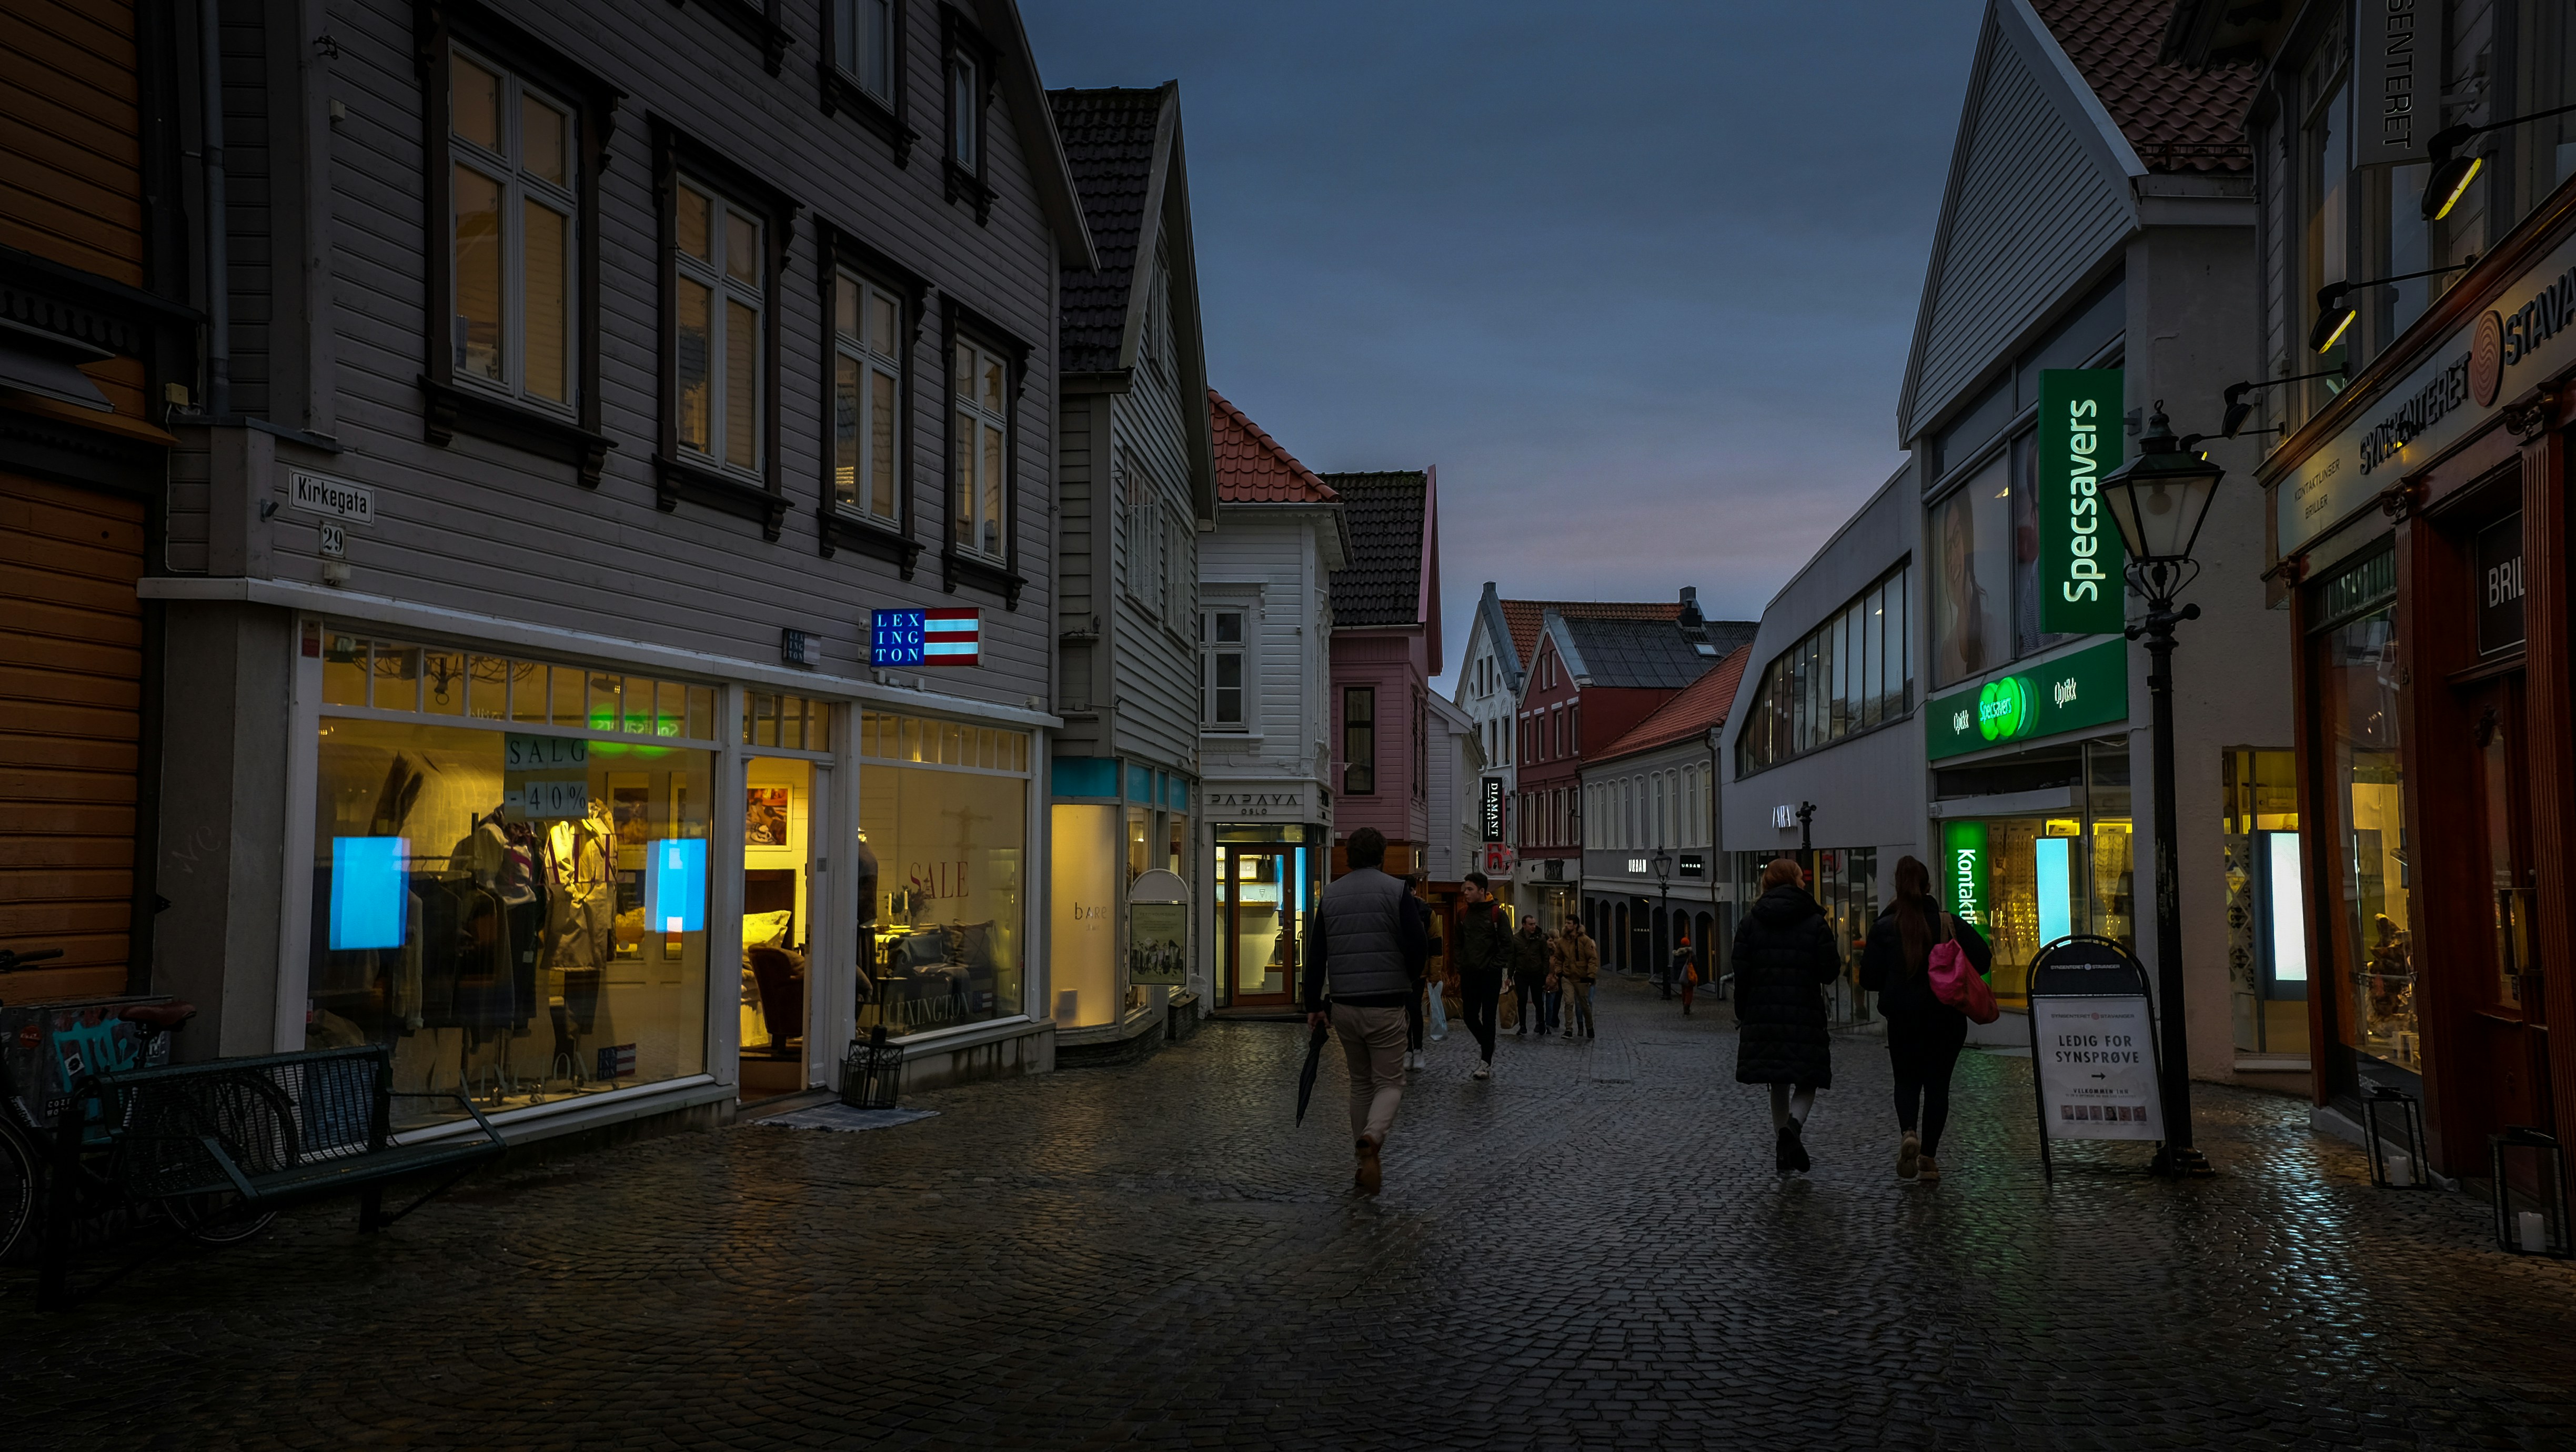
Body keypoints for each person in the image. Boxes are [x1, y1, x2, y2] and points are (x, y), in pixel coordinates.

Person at [1305, 828, 1431, 1194]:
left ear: (1348, 856)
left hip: (1345, 1004)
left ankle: (1361, 1157)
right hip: (1386, 1002)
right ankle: (1373, 1138)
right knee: (1390, 1081)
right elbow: (1417, 944)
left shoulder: (1331, 894)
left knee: (1360, 1083)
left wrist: (1313, 1004)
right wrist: (1407, 979)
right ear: (1382, 855)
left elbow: (1317, 954)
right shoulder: (1395, 891)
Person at [1858, 855, 1993, 1183]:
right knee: (1937, 1087)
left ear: (1897, 886)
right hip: (1946, 1019)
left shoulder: (1884, 927)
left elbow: (1868, 980)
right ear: (1928, 886)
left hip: (1903, 1020)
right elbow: (1984, 960)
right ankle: (1929, 1159)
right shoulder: (1948, 923)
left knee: (1906, 1081)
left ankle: (1908, 1132)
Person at [1732, 856, 1842, 1175]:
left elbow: (1742, 972)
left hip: (1763, 1014)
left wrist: (1744, 1012)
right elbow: (1830, 971)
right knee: (1809, 1077)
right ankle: (1792, 1128)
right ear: (1795, 881)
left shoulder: (1751, 921)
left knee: (1777, 1080)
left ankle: (1783, 1147)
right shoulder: (1814, 921)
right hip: (1804, 1013)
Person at [1451, 872, 1511, 1079]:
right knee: (1469, 1015)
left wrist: (1494, 967)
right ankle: (1488, 1044)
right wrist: (1460, 965)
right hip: (1469, 973)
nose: (1465, 893)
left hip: (1489, 975)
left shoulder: (1497, 914)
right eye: (1465, 889)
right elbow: (1457, 943)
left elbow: (1507, 944)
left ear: (1482, 891)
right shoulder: (1463, 914)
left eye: (1470, 889)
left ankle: (1485, 1063)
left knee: (1488, 1017)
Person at [1554, 917, 1599, 1038]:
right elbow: (1558, 958)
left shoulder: (1585, 940)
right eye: (1566, 923)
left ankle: (1589, 1027)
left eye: (1569, 923)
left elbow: (1593, 959)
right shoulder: (1562, 942)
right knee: (1569, 1002)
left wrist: (1591, 975)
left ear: (1575, 925)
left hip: (1581, 977)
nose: (1566, 925)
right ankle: (1568, 1029)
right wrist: (1559, 972)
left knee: (1584, 1004)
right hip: (1567, 976)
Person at [1510, 915, 1551, 1038]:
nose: (1533, 926)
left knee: (1538, 1000)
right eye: (1531, 924)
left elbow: (1546, 957)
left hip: (1537, 974)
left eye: (1534, 924)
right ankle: (1523, 1026)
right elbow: (1512, 958)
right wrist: (1509, 976)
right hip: (1521, 974)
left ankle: (1541, 1024)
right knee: (1521, 999)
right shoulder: (1516, 939)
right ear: (1524, 925)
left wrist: (1545, 973)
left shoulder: (1541, 939)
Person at [1670, 933, 1697, 1013]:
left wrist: (1676, 976)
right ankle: (1687, 1005)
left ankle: (1684, 1004)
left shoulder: (1677, 954)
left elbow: (1674, 965)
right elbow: (1695, 963)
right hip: (1689, 975)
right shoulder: (1690, 953)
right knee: (1689, 991)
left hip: (1681, 976)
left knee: (1684, 991)